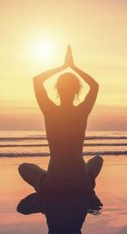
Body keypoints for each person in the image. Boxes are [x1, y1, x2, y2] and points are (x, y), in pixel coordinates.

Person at [18, 45, 103, 194]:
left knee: (24, 167)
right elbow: (94, 86)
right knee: (97, 160)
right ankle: (86, 182)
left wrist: (63, 67)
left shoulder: (50, 111)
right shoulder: (82, 111)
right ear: (77, 91)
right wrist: (73, 67)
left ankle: (43, 185)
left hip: (55, 183)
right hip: (81, 182)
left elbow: (37, 80)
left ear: (57, 89)